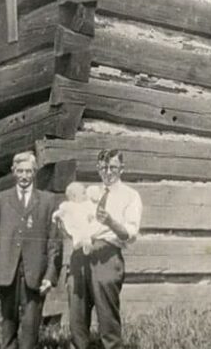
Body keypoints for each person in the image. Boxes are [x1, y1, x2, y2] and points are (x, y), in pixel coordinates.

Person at [0, 152, 62, 349]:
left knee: (30, 328)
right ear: (13, 172)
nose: (24, 176)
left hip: (34, 273)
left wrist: (50, 276)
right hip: (6, 271)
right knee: (8, 325)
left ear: (35, 172)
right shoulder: (0, 200)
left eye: (28, 171)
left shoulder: (48, 201)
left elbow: (54, 242)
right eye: (20, 171)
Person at [68, 149, 143, 349]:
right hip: (80, 254)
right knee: (76, 312)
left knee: (107, 313)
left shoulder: (130, 196)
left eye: (113, 168)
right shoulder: (89, 193)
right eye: (103, 168)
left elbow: (130, 234)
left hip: (107, 254)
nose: (108, 172)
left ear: (122, 169)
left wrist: (110, 222)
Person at [52, 182, 99, 254]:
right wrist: (56, 216)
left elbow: (92, 211)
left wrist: (91, 215)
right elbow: (60, 212)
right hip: (74, 225)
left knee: (87, 233)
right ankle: (78, 243)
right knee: (76, 233)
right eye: (83, 193)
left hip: (84, 224)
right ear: (74, 196)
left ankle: (87, 246)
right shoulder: (68, 205)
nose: (85, 195)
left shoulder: (86, 204)